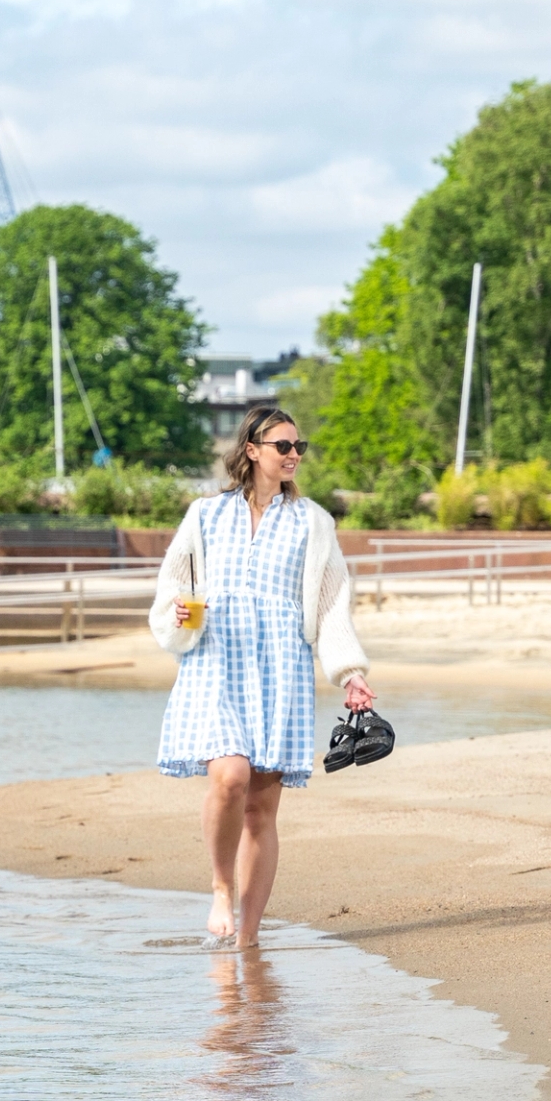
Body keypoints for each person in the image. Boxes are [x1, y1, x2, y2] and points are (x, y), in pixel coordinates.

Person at [151, 405, 375, 948]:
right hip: (215, 660)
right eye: (283, 446)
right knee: (229, 778)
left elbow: (331, 605)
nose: (294, 454)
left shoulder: (315, 523)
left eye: (299, 447)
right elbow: (172, 587)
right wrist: (177, 613)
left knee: (261, 807)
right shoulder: (204, 515)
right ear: (252, 450)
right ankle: (221, 888)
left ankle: (247, 939)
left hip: (282, 667)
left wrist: (350, 673)